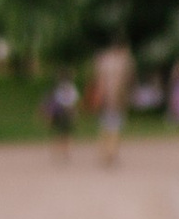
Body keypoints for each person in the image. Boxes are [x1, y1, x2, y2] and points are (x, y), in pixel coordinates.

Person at [89, 37, 135, 166]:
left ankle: (104, 152)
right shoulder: (124, 61)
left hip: (103, 98)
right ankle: (112, 153)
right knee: (115, 127)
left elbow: (97, 78)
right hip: (117, 99)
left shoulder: (102, 60)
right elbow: (128, 80)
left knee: (104, 126)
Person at [40, 72, 79, 159]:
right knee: (66, 133)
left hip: (59, 112)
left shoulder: (58, 88)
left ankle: (58, 150)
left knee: (60, 132)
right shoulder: (70, 88)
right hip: (64, 112)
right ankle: (64, 151)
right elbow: (71, 102)